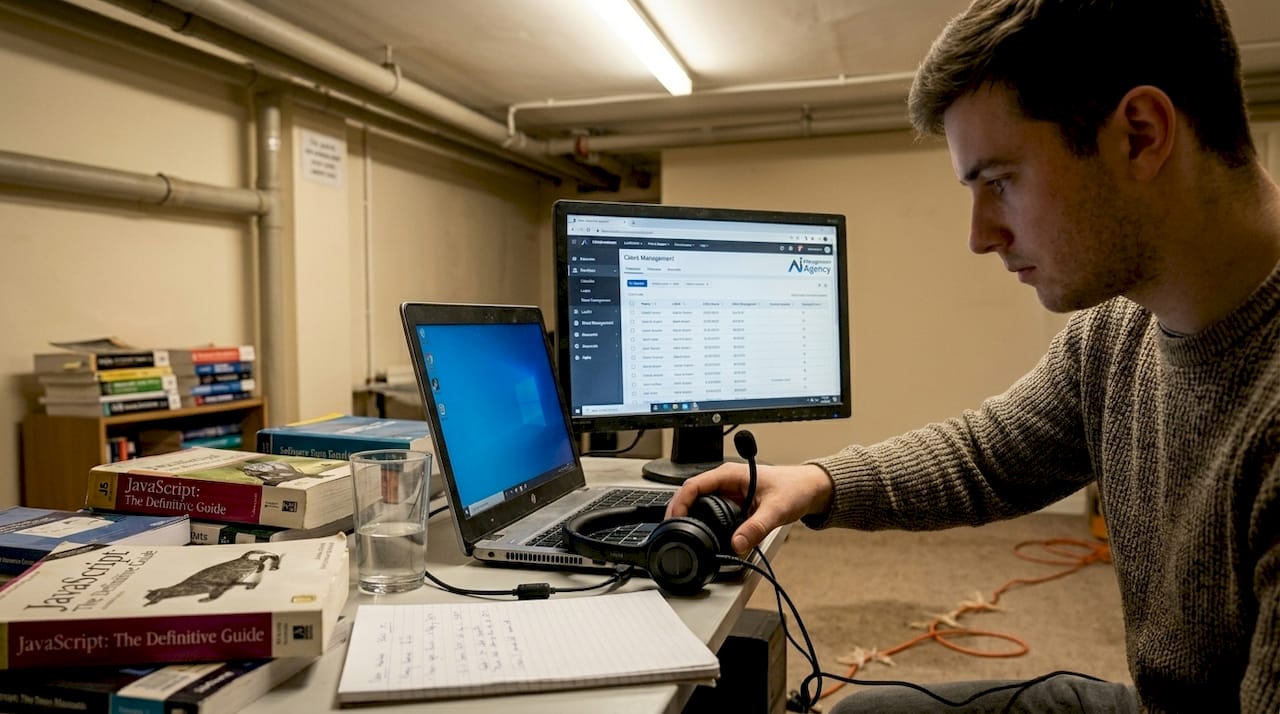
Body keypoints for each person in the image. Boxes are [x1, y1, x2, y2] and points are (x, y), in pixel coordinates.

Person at [666, 1, 1280, 712]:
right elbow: (987, 455)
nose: (981, 235)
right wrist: (816, 482)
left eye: (1001, 181)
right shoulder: (1117, 334)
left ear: (1140, 136)